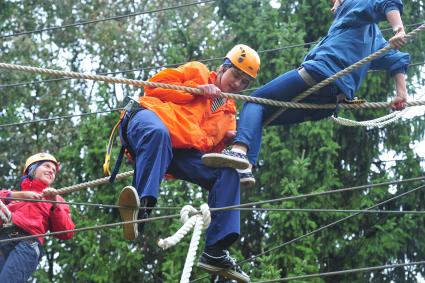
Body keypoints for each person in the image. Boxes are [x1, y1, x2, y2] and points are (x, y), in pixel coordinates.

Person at [201, 0, 410, 179]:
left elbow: (387, 2)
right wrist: (402, 94)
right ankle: (245, 167)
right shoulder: (373, 38)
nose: (332, 7)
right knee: (261, 117)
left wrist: (398, 29)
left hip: (318, 75)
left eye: (334, 1)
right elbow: (397, 61)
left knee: (255, 101)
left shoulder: (353, 4)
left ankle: (239, 152)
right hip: (327, 104)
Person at [117, 44, 260, 281]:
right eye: (236, 75)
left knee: (228, 173)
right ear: (223, 68)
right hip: (147, 121)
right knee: (159, 134)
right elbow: (152, 87)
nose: (237, 84)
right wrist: (197, 91)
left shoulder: (228, 117)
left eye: (245, 82)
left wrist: (226, 143)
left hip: (176, 152)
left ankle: (216, 250)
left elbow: (206, 153)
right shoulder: (197, 72)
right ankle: (140, 210)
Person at [0, 152, 75, 283]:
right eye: (46, 166)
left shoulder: (56, 199)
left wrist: (54, 205)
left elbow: (67, 232)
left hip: (27, 244)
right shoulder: (13, 197)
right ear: (32, 169)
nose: (51, 171)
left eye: (53, 170)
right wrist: (20, 195)